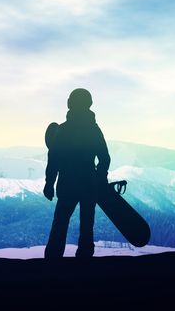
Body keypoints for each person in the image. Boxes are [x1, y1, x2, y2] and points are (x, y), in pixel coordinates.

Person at [43, 88, 110, 258]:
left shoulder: (63, 130)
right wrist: (100, 178)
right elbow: (105, 158)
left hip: (67, 183)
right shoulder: (94, 130)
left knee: (60, 222)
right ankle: (85, 260)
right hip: (89, 183)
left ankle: (52, 260)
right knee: (87, 224)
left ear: (71, 103)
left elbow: (54, 159)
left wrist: (49, 183)